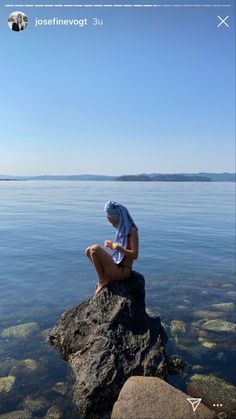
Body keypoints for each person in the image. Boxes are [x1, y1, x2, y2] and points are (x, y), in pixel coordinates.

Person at [85, 201, 139, 295]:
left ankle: (102, 281)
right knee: (88, 251)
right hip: (116, 265)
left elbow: (135, 255)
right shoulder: (122, 231)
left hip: (123, 271)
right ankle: (104, 278)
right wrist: (112, 246)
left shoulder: (132, 231)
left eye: (114, 222)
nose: (113, 225)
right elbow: (120, 251)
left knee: (95, 248)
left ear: (120, 219)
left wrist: (118, 248)